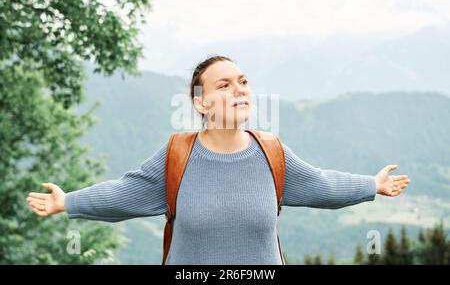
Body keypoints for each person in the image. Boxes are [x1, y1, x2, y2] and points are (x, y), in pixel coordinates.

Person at [27, 55, 410, 264]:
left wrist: (370, 185)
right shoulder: (178, 155)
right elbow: (126, 194)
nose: (239, 90)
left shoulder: (271, 152)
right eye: (223, 85)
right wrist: (68, 201)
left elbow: (321, 184)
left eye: (243, 81)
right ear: (201, 102)